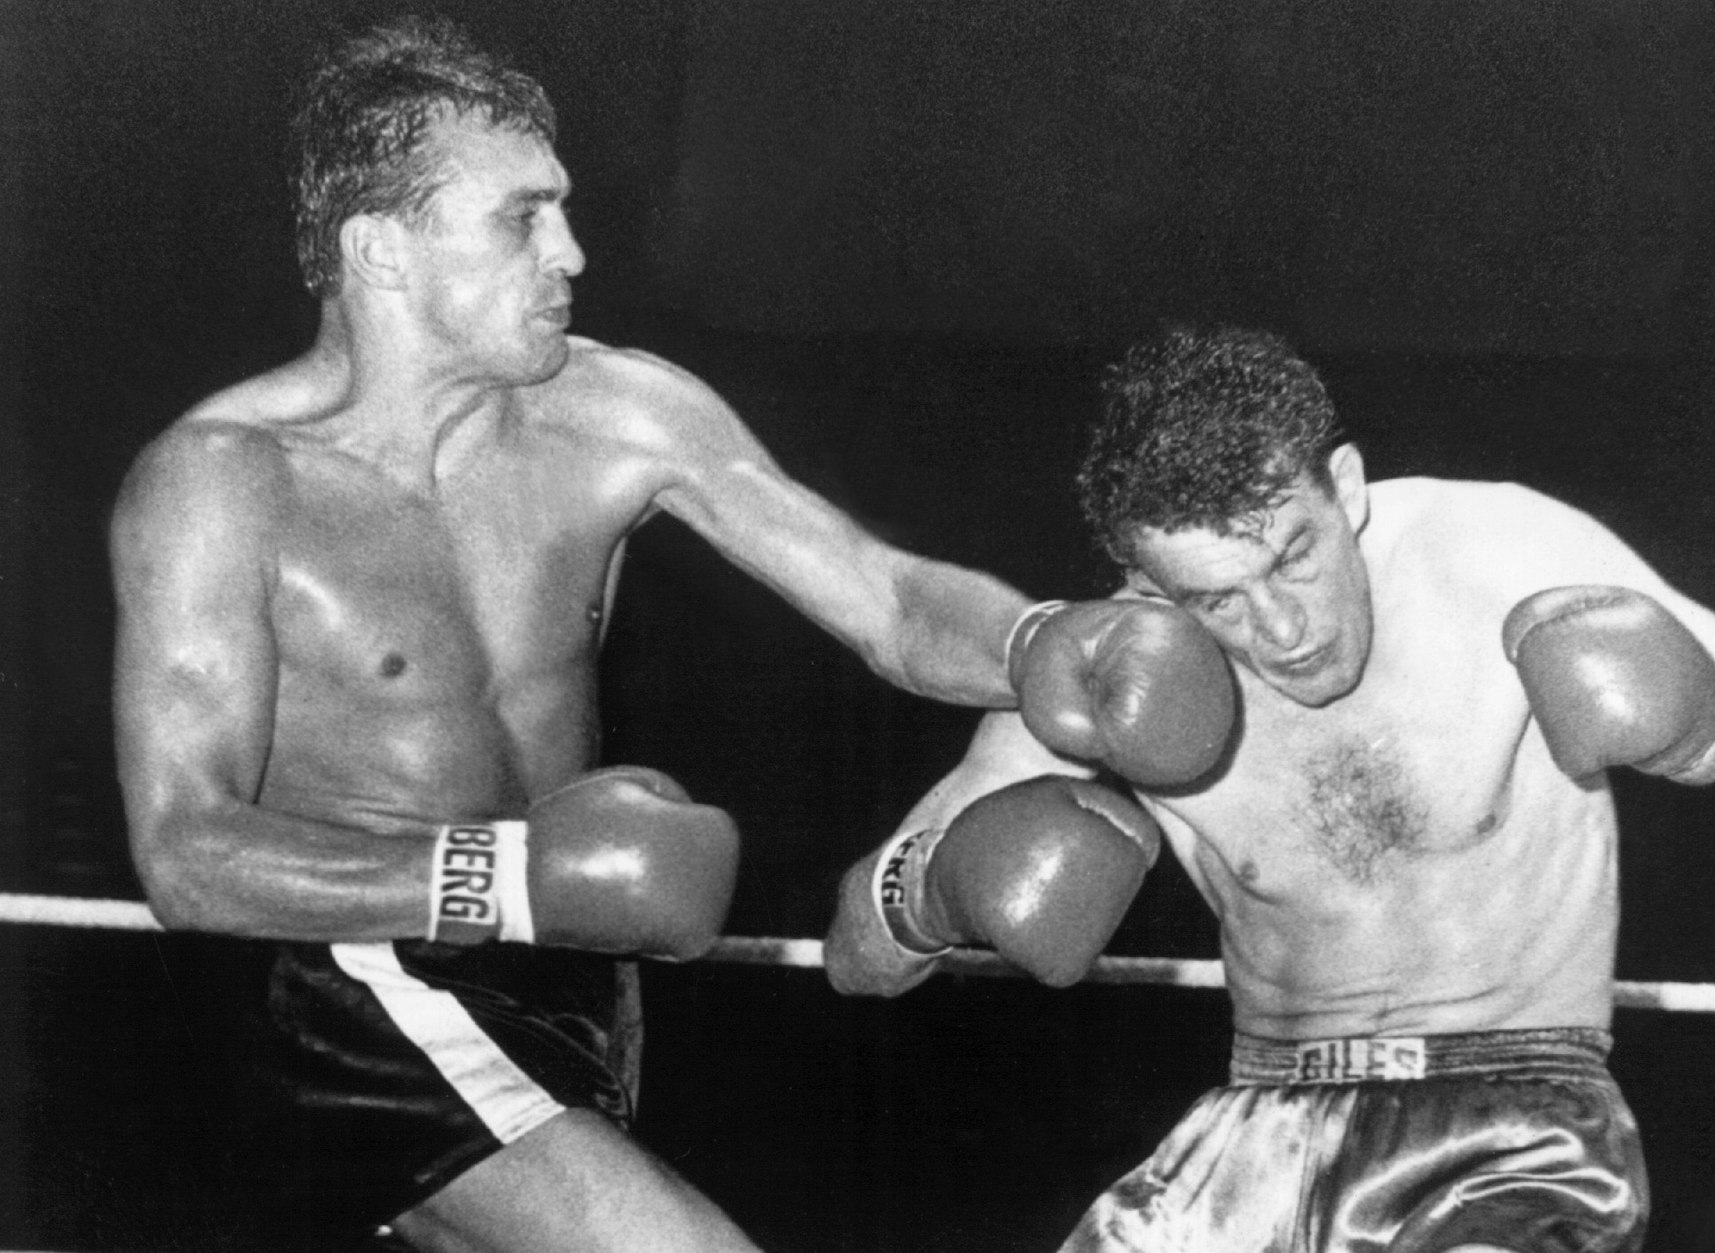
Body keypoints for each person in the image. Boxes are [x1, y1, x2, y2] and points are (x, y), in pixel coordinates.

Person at [107, 17, 1236, 1253]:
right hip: (365, 981)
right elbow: (188, 850)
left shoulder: (622, 411)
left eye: (564, 211)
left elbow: (887, 599)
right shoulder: (225, 483)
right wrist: (515, 875)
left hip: (587, 972)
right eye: (520, 218)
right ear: (381, 249)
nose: (572, 253)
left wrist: (1034, 641)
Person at [823, 325, 1715, 1253]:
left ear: (1347, 487)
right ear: (1146, 584)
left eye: (1293, 557)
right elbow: (852, 959)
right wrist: (933, 888)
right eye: (1217, 599)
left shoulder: (1495, 551)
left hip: (1511, 1133)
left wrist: (1704, 725)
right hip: (1248, 1135)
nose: (1280, 627)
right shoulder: (1104, 671)